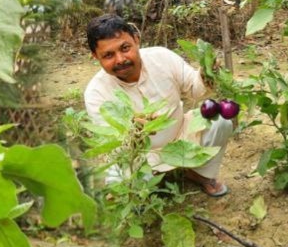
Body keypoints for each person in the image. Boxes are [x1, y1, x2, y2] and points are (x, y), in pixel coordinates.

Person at [83, 14, 233, 196]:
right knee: (117, 179)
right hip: (141, 154)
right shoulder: (96, 93)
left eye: (125, 48)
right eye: (108, 55)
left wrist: (207, 74)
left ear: (136, 40)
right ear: (95, 56)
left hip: (181, 137)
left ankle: (198, 174)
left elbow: (194, 88)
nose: (120, 59)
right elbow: (112, 144)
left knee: (220, 120)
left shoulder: (161, 57)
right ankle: (150, 184)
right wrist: (134, 131)